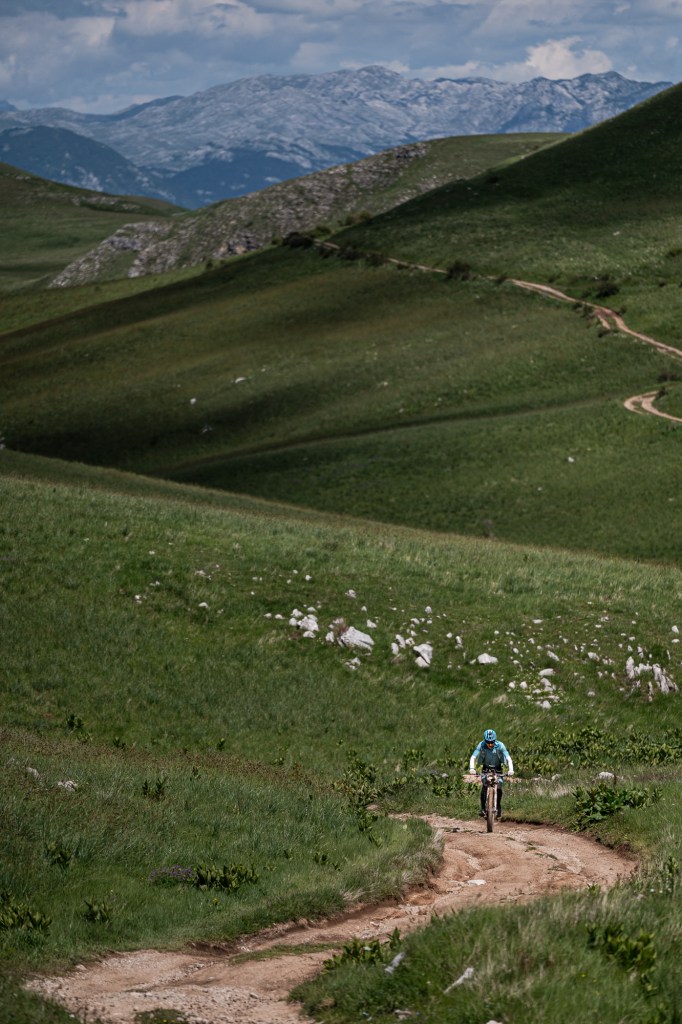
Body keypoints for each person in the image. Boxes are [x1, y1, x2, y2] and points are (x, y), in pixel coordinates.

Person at [468, 728, 514, 819]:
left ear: (495, 740)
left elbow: (508, 757)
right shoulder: (481, 745)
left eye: (492, 742)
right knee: (485, 785)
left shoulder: (500, 745)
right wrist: (472, 768)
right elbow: (473, 757)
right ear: (485, 741)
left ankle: (498, 805)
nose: (490, 744)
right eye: (488, 742)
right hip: (486, 767)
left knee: (499, 785)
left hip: (497, 768)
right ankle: (483, 808)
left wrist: (511, 769)